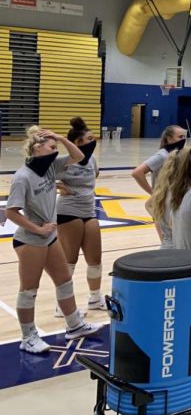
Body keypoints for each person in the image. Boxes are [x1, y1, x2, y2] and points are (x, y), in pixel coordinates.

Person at [6, 127, 101, 353]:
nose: (55, 152)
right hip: (30, 240)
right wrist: (37, 229)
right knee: (29, 289)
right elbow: (11, 212)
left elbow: (78, 156)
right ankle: (28, 337)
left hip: (49, 237)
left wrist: (58, 138)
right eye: (51, 147)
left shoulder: (51, 168)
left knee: (64, 280)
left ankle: (74, 325)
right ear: (37, 148)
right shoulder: (22, 177)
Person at [55, 117, 105, 314]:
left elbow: (95, 176)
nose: (91, 142)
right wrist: (58, 185)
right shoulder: (63, 162)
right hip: (68, 212)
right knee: (70, 260)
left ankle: (94, 298)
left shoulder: (92, 160)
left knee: (95, 259)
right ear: (75, 143)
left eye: (92, 138)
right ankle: (62, 306)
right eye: (86, 139)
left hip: (88, 211)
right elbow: (39, 179)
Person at [131, 125, 187, 195]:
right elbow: (137, 173)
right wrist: (153, 194)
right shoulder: (162, 155)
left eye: (184, 137)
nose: (183, 139)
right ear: (169, 139)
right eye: (180, 137)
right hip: (163, 201)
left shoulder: (178, 153)